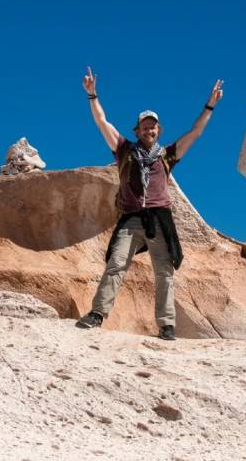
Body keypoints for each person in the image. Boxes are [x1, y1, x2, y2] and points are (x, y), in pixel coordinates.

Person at [75, 67, 223, 341]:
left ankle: (166, 325)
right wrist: (92, 94)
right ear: (138, 129)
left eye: (153, 125)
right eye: (145, 125)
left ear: (158, 129)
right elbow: (101, 122)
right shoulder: (125, 150)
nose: (149, 128)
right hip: (131, 219)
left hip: (160, 220)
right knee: (116, 264)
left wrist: (210, 105)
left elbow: (196, 132)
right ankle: (97, 314)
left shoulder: (167, 155)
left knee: (164, 272)